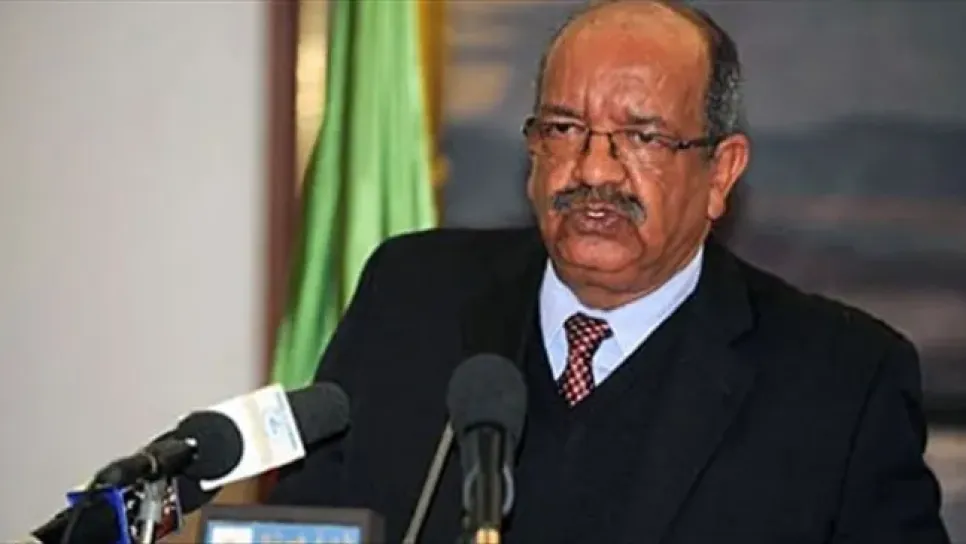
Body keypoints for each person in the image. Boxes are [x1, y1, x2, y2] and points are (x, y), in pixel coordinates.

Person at [267, 1, 950, 542]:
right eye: (564, 129)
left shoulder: (842, 382)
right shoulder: (412, 295)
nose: (594, 170)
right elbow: (305, 525)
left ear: (721, 173)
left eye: (643, 137)